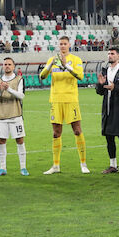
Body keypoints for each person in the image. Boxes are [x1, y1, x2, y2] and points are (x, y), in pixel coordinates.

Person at [39, 36, 90, 175]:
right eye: (60, 44)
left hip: (71, 99)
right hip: (55, 99)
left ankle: (83, 163)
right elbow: (42, 76)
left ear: (69, 45)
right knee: (56, 132)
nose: (62, 46)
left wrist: (66, 65)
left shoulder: (75, 59)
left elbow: (80, 76)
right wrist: (50, 65)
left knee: (77, 130)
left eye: (65, 44)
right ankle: (55, 165)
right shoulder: (52, 60)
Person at [0, 58, 28, 177]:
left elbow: (21, 95)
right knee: (1, 141)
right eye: (5, 64)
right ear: (2, 66)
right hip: (2, 116)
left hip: (16, 115)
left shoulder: (19, 79)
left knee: (20, 140)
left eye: (9, 64)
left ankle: (23, 167)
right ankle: (2, 168)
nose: (7, 66)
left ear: (13, 66)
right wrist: (1, 91)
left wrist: (9, 89)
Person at [97, 47, 119, 175]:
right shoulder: (105, 71)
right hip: (108, 109)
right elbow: (100, 92)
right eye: (109, 53)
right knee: (109, 138)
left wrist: (114, 87)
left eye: (112, 54)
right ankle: (113, 165)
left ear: (118, 56)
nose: (110, 56)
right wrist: (100, 84)